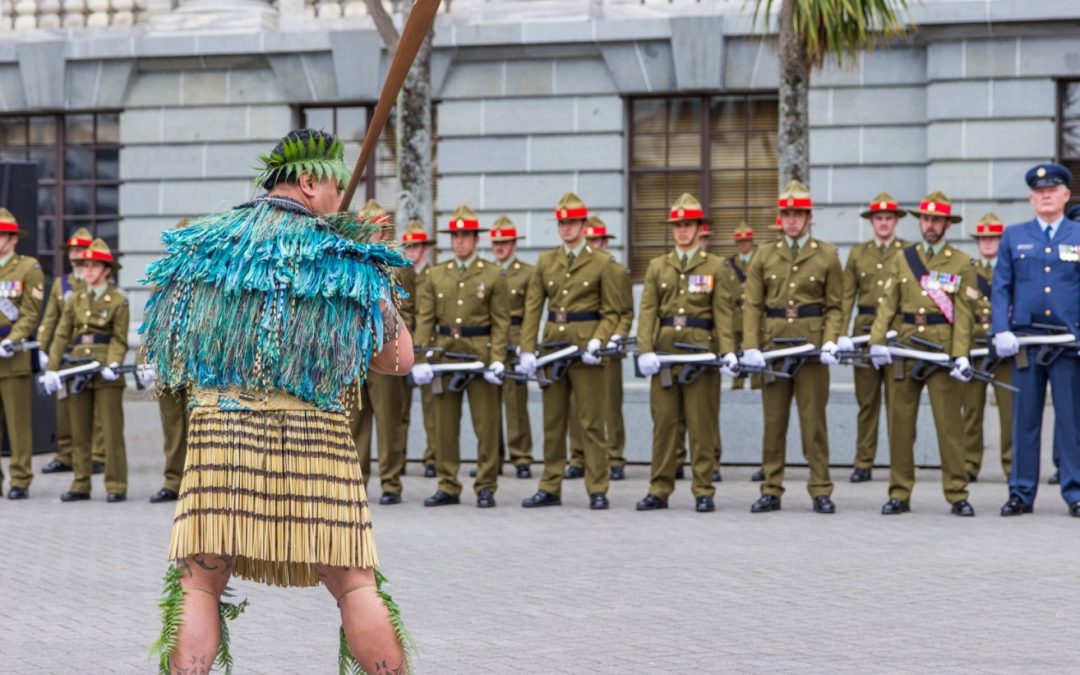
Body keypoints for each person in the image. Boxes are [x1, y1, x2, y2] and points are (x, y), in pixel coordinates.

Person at [136, 129, 413, 673]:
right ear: (309, 180)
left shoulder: (206, 244)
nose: (340, 199)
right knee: (354, 583)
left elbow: (167, 344)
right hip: (318, 439)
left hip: (222, 435)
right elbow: (397, 360)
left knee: (200, 583)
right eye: (335, 186)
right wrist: (371, 280)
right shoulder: (346, 255)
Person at [868, 190, 977, 516]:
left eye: (936, 220)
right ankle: (900, 493)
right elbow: (888, 303)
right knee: (900, 427)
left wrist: (961, 354)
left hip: (941, 351)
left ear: (947, 224)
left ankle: (957, 493)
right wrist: (876, 341)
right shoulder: (903, 258)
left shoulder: (961, 262)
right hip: (906, 347)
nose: (930, 225)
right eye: (926, 219)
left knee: (949, 428)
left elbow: (964, 314)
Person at [740, 180, 843, 514]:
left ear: (809, 217)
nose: (793, 220)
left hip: (811, 349)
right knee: (774, 423)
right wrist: (751, 345)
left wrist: (830, 340)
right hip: (773, 348)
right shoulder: (764, 255)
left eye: (798, 214)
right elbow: (752, 305)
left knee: (814, 423)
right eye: (787, 214)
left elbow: (835, 306)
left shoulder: (827, 254)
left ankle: (820, 488)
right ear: (779, 217)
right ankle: (771, 488)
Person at [516, 192, 622, 510]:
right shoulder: (547, 261)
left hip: (585, 348)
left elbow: (613, 311)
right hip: (553, 346)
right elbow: (533, 308)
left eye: (572, 222)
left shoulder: (602, 262)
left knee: (590, 422)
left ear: (583, 225)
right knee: (553, 421)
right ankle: (550, 485)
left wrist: (599, 340)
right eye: (562, 223)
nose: (566, 228)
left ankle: (597, 486)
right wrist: (527, 349)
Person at [634, 194, 735, 513]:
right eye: (677, 225)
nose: (681, 231)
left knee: (701, 425)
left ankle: (703, 489)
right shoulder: (657, 265)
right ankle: (659, 488)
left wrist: (729, 351)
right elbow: (647, 310)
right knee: (663, 425)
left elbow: (723, 314)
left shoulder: (715, 265)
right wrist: (644, 349)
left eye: (687, 225)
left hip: (700, 354)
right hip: (664, 355)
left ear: (698, 227)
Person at [993, 163, 1080, 518]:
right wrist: (1001, 328)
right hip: (1025, 342)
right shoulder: (1014, 235)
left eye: (1052, 190)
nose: (1046, 195)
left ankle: (1075, 492)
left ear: (1065, 196)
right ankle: (1021, 492)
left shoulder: (1077, 235)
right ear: (1031, 198)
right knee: (1024, 421)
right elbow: (1001, 286)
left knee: (1071, 422)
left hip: (1068, 342)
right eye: (1039, 191)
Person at [410, 204, 510, 508]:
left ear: (476, 239)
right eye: (455, 236)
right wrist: (419, 358)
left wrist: (498, 359)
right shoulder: (437, 275)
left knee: (487, 425)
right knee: (444, 425)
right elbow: (425, 319)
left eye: (466, 235)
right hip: (444, 356)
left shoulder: (493, 274)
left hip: (480, 356)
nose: (460, 241)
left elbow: (501, 321)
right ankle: (448, 484)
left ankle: (486, 485)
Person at [43, 238, 130, 502]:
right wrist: (51, 367)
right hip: (77, 368)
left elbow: (119, 337)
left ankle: (116, 485)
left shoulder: (118, 299)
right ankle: (81, 483)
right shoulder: (75, 298)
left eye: (94, 266)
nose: (88, 270)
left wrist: (114, 362)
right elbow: (61, 333)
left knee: (111, 432)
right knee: (79, 430)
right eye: (85, 265)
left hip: (105, 369)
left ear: (107, 270)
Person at [839, 193, 909, 483]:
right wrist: (841, 334)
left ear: (895, 222)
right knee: (866, 403)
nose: (883, 223)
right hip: (865, 331)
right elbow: (846, 297)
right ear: (872, 222)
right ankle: (863, 461)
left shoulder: (908, 252)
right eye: (879, 218)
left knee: (897, 404)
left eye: (888, 219)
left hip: (895, 331)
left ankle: (898, 463)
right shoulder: (858, 254)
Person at [350, 199, 408, 505]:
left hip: (384, 349)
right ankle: (357, 481)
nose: (377, 236)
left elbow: (406, 311)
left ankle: (391, 483)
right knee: (355, 422)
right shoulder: (352, 264)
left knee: (388, 422)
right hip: (357, 356)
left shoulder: (395, 265)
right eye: (370, 230)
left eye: (380, 230)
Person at [566, 216, 633, 481]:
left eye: (597, 240)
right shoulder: (576, 268)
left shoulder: (617, 270)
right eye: (589, 240)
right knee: (576, 406)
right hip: (581, 346)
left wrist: (617, 335)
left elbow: (625, 312)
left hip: (608, 349)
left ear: (605, 241)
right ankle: (578, 456)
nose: (593, 244)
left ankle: (615, 457)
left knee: (610, 406)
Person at [38, 227, 106, 476]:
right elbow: (50, 319)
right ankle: (65, 454)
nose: (76, 256)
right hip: (66, 352)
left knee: (98, 411)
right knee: (64, 407)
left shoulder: (99, 282)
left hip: (92, 353)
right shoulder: (61, 283)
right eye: (73, 251)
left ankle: (98, 455)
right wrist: (42, 349)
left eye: (81, 250)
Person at [961, 213, 1013, 483]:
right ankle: (970, 463)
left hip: (1004, 349)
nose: (988, 243)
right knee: (971, 409)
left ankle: (1011, 464)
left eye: (993, 238)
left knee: (1009, 411)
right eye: (984, 238)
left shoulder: (1010, 267)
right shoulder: (968, 270)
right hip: (975, 346)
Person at [0, 208, 45, 500]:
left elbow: (30, 314)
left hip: (11, 354)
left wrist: (13, 338)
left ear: (12, 238)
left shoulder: (28, 268)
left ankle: (20, 478)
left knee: (17, 422)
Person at [489, 215, 535, 479]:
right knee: (489, 404)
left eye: (505, 242)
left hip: (516, 339)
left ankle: (521, 456)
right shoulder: (486, 271)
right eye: (496, 242)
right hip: (492, 340)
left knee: (516, 403)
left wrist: (526, 345)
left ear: (514, 244)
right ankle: (492, 456)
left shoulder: (527, 273)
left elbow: (531, 313)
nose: (500, 247)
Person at [399, 221, 438, 477]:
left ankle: (432, 457)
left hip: (429, 346)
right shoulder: (400, 273)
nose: (413, 252)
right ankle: (398, 457)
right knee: (399, 409)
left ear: (425, 248)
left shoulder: (433, 275)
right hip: (402, 347)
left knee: (432, 408)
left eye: (417, 247)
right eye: (409, 247)